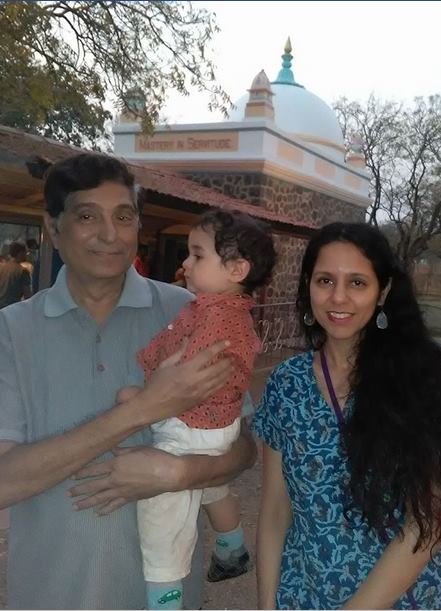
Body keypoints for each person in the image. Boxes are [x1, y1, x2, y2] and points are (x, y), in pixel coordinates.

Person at [0, 152, 257, 610]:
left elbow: (240, 446)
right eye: (86, 216)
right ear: (53, 228)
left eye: (124, 216)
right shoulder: (10, 332)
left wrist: (179, 472)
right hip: (45, 596)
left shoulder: (193, 312)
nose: (109, 234)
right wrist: (142, 410)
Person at [253, 222, 441, 610]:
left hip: (402, 599)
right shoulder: (286, 384)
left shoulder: (416, 381)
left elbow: (427, 525)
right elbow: (276, 510)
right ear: (307, 285)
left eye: (357, 283)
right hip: (303, 597)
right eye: (325, 280)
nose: (338, 298)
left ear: (384, 292)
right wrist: (266, 605)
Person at [118, 209, 276, 609]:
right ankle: (232, 547)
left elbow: (185, 375)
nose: (185, 263)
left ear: (237, 269)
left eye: (197, 254)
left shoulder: (216, 319)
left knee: (162, 515)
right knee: (209, 484)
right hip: (217, 423)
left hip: (192, 423)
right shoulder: (225, 310)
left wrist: (144, 395)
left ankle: (164, 597)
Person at [0, 241, 32, 308]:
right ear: (20, 253)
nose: (27, 255)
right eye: (25, 252)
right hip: (12, 308)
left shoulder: (2, 267)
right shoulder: (22, 271)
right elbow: (27, 296)